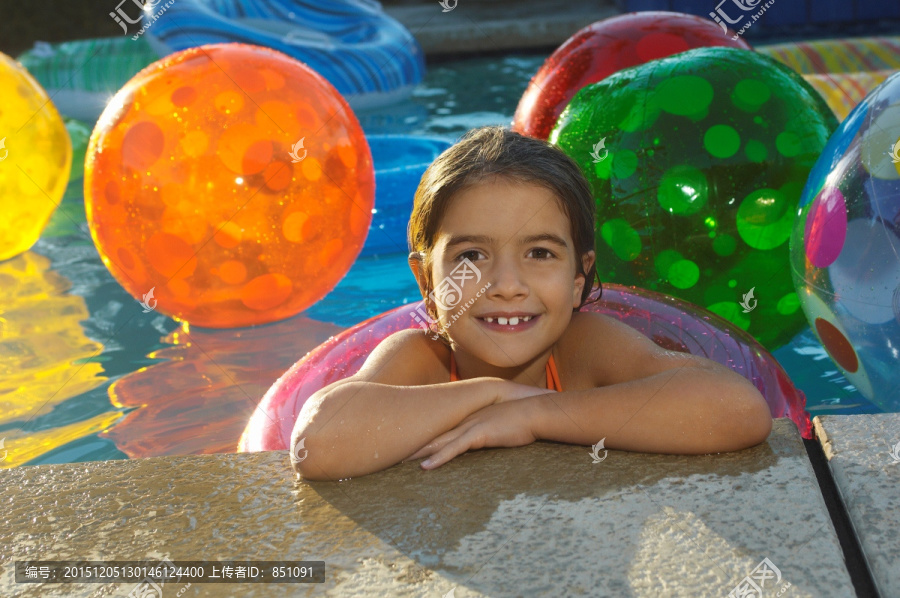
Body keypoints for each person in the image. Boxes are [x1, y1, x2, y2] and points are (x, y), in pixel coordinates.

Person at [292, 126, 772, 481]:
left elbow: (738, 409)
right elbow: (318, 445)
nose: (506, 284)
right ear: (426, 280)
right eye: (472, 255)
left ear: (580, 278)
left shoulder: (584, 349)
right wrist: (491, 393)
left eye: (540, 253)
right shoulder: (422, 359)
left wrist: (534, 413)